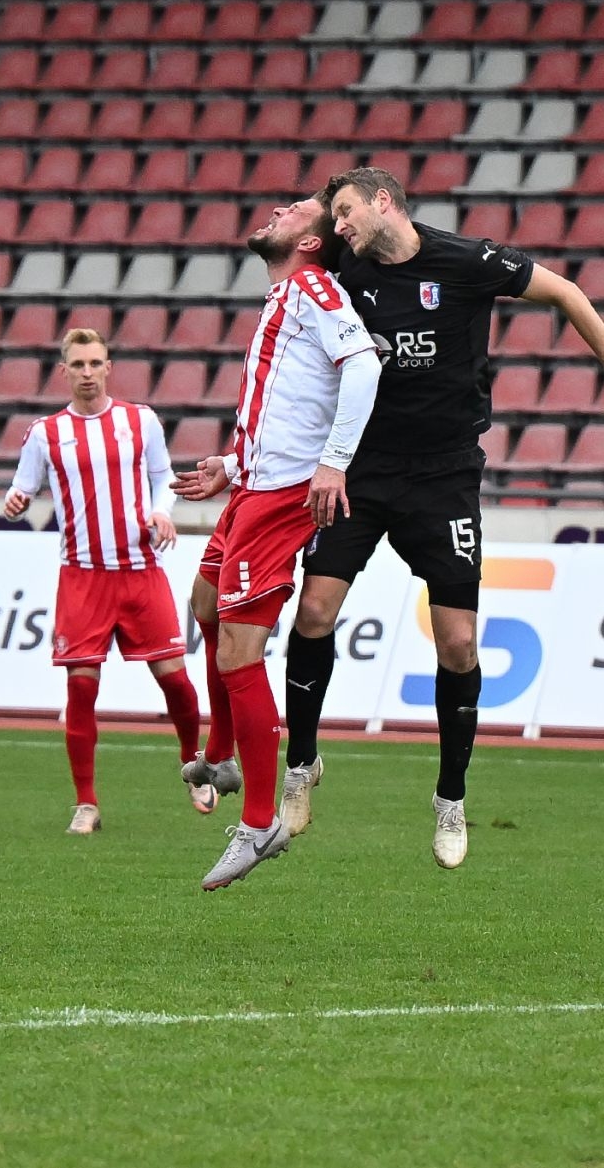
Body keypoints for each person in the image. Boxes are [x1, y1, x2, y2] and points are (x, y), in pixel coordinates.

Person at [277, 167, 604, 869]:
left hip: (444, 477)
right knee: (315, 610)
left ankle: (450, 799)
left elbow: (566, 292)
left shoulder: (468, 260)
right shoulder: (343, 269)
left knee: (457, 643)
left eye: (348, 211)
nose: (341, 226)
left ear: (384, 201)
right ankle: (300, 768)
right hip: (361, 468)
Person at [171, 196, 381, 891]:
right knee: (204, 604)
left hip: (281, 496)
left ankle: (260, 821)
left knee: (239, 650)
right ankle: (222, 752)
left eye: (294, 210)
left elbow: (364, 366)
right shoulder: (285, 296)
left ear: (312, 242)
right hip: (252, 486)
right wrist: (232, 465)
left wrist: (334, 462)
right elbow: (294, 404)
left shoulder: (314, 286)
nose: (278, 209)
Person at [2, 328, 206, 832]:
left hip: (140, 571)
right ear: (64, 371)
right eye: (78, 365)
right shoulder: (45, 433)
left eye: (95, 363)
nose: (88, 372)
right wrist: (16, 501)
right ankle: (86, 803)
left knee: (176, 681)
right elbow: (21, 487)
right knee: (81, 689)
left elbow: (163, 477)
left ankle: (194, 765)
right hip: (83, 575)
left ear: (109, 367)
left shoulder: (140, 421)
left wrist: (161, 512)